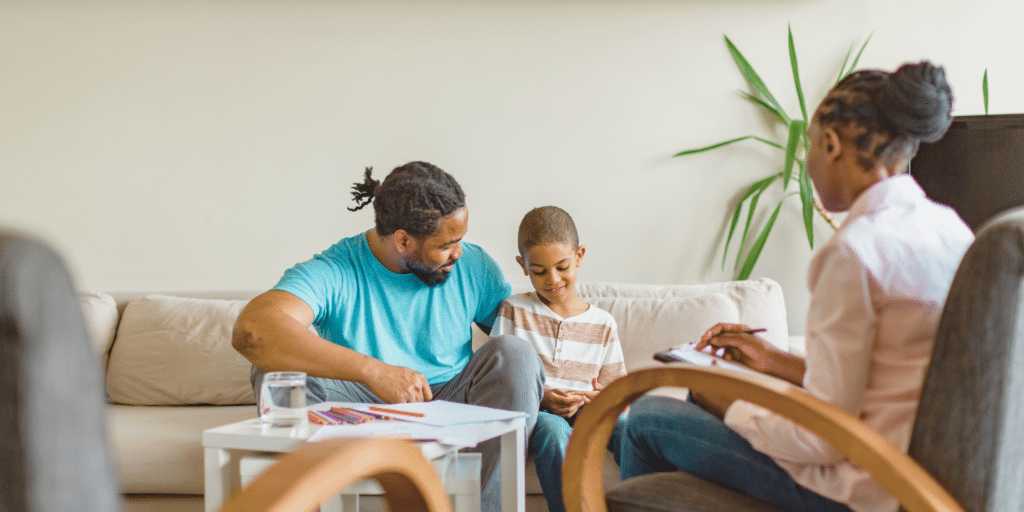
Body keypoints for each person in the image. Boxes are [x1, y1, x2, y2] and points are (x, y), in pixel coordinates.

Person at [617, 61, 974, 512]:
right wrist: (773, 362)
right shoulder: (952, 229)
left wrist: (727, 402)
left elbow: (822, 440)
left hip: (864, 486)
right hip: (921, 481)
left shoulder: (854, 252)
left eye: (808, 146)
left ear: (831, 145)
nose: (806, 162)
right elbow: (883, 379)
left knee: (647, 418)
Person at [232, 161, 544, 512]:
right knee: (276, 373)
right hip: (358, 409)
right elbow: (252, 329)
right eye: (447, 244)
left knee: (515, 353)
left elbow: (524, 335)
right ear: (402, 239)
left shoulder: (473, 265)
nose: (458, 252)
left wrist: (558, 382)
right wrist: (374, 371)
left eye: (460, 240)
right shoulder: (337, 269)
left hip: (453, 399)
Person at [491, 206, 626, 512]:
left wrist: (597, 398)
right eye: (539, 271)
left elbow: (617, 392)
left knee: (630, 427)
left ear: (579, 256)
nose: (552, 279)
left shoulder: (603, 323)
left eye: (562, 267)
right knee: (554, 431)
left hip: (589, 412)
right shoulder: (514, 310)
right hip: (540, 412)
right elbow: (500, 381)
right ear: (523, 266)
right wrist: (543, 399)